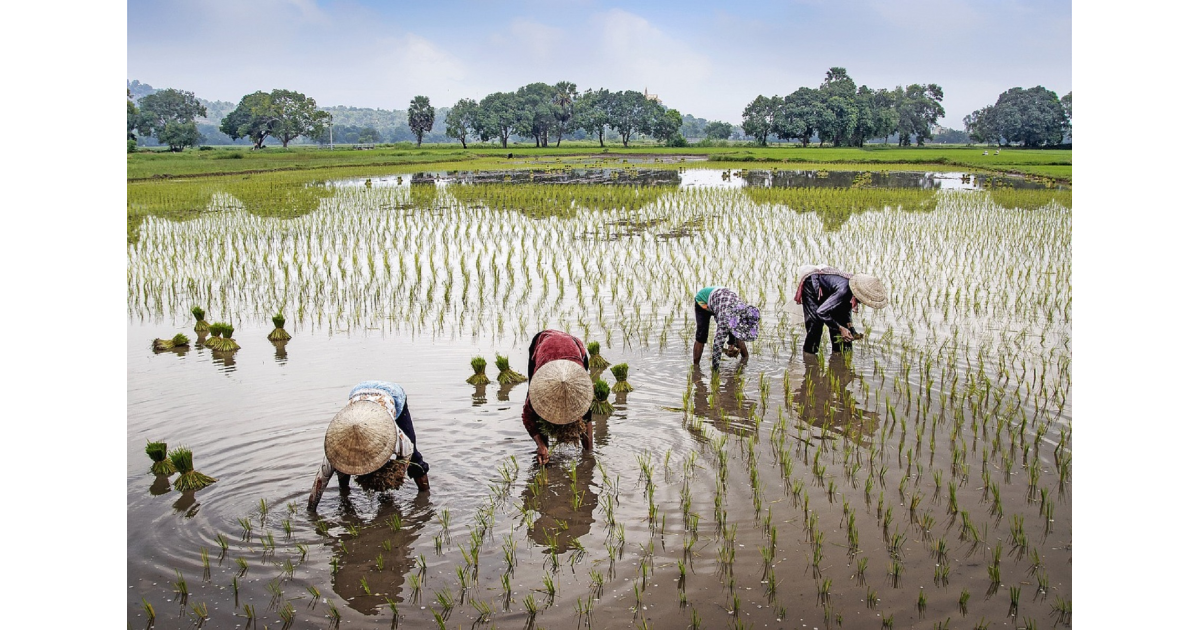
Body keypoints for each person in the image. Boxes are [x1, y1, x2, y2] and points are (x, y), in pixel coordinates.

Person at [307, 380, 430, 510]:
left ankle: (425, 499)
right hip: (358, 394)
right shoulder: (335, 450)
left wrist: (392, 476)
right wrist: (311, 509)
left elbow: (407, 454)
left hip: (392, 394)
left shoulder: (397, 437)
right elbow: (320, 482)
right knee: (341, 467)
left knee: (415, 460)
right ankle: (344, 494)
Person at [523, 329, 594, 465]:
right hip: (544, 343)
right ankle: (544, 452)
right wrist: (541, 445)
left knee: (583, 409)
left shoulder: (582, 389)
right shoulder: (539, 388)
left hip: (574, 346)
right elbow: (527, 417)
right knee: (537, 412)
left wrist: (589, 456)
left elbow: (587, 416)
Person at [793, 265, 888, 355]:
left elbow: (845, 310)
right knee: (815, 325)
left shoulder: (851, 293)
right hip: (812, 286)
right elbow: (821, 312)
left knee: (841, 326)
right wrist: (841, 328)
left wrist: (850, 329)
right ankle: (809, 357)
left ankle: (839, 355)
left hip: (831, 291)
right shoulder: (844, 291)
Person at [692, 286, 761, 371]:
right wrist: (715, 373)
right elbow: (717, 345)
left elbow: (736, 330)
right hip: (703, 301)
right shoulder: (725, 318)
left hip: (722, 302)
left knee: (738, 334)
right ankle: (695, 368)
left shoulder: (745, 311)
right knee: (701, 336)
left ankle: (745, 360)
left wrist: (732, 344)